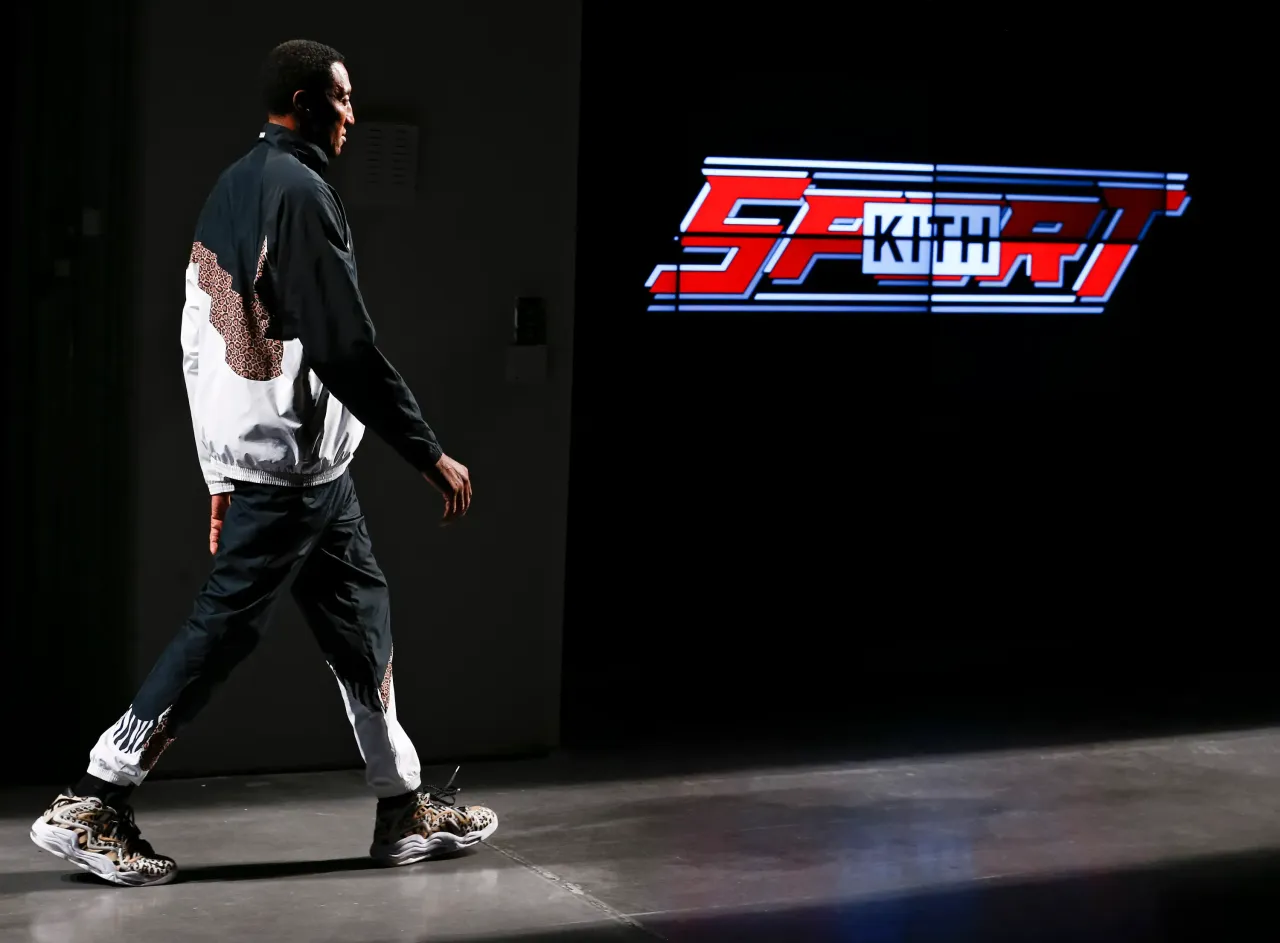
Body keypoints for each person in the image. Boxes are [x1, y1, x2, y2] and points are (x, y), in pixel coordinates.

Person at [28, 39, 497, 887]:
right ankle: (95, 797)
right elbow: (348, 347)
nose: (354, 116)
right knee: (223, 628)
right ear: (307, 102)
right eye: (343, 101)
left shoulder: (235, 184)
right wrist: (428, 453)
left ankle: (403, 807)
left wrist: (216, 470)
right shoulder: (300, 194)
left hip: (305, 470)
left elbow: (197, 341)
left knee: (361, 620)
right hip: (286, 470)